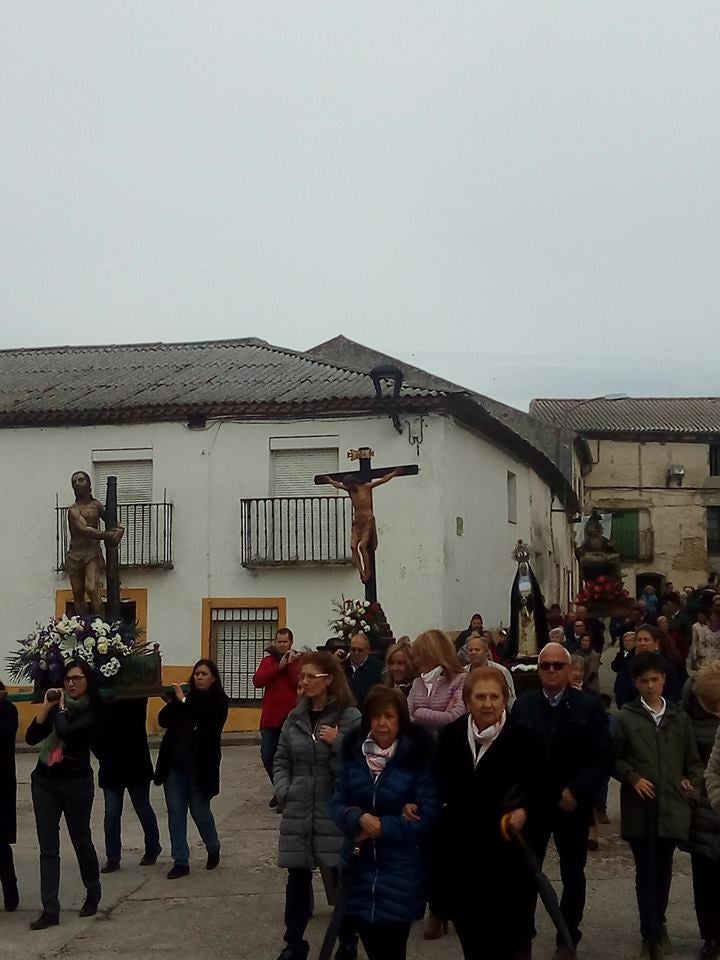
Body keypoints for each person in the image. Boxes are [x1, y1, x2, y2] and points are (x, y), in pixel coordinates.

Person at [509, 642, 613, 958]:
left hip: (573, 805)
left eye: (558, 665)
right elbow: (514, 757)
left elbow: (602, 756)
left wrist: (578, 791)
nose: (552, 671)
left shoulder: (590, 707)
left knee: (572, 874)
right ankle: (522, 935)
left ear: (569, 670)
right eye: (546, 666)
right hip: (535, 806)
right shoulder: (524, 707)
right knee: (526, 874)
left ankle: (568, 936)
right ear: (538, 670)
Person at [435, 667, 540, 960]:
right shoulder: (450, 737)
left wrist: (525, 811)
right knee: (474, 941)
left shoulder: (525, 738)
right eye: (480, 697)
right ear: (468, 701)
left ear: (504, 700)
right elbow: (438, 785)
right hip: (465, 858)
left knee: (513, 943)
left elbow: (544, 788)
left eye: (494, 696)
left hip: (509, 857)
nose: (487, 703)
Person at [331, 686, 438, 960]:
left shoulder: (417, 758)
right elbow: (337, 805)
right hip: (360, 870)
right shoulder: (355, 756)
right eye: (376, 717)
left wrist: (383, 826)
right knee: (373, 948)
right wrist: (360, 819)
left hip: (401, 872)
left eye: (389, 716)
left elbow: (428, 816)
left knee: (393, 951)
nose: (382, 723)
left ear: (400, 719)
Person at [613, 651, 703, 959]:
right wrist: (633, 777)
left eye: (655, 679)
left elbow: (693, 761)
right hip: (641, 809)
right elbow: (614, 758)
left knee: (663, 871)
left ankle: (659, 923)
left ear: (664, 679)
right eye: (644, 681)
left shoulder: (679, 718)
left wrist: (690, 782)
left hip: (672, 807)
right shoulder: (626, 718)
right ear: (635, 683)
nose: (651, 686)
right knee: (645, 871)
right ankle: (648, 931)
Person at [273, 651, 361, 960]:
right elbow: (281, 759)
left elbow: (358, 763)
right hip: (299, 806)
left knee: (340, 877)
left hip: (333, 807)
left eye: (312, 676)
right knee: (296, 878)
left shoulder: (349, 717)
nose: (305, 681)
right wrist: (284, 790)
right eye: (303, 676)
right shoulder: (294, 718)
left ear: (329, 680)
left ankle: (347, 941)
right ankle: (293, 942)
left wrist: (338, 742)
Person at [25, 660, 102, 930]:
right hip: (45, 780)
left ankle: (93, 892)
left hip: (76, 783)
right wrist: (46, 706)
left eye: (77, 679)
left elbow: (69, 731)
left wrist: (60, 708)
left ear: (87, 681)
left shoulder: (92, 710)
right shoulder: (59, 704)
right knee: (48, 847)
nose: (71, 683)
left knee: (81, 839)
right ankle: (50, 909)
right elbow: (32, 737)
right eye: (68, 678)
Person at [154, 659, 229, 879]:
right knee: (176, 812)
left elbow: (209, 721)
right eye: (196, 674)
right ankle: (180, 860)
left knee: (199, 811)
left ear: (213, 678)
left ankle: (212, 846)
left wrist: (183, 701)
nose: (199, 677)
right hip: (175, 765)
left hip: (200, 767)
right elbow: (163, 720)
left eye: (204, 674)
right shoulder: (184, 699)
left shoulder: (218, 701)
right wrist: (174, 702)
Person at [679, 663, 720, 960]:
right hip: (701, 807)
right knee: (705, 878)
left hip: (714, 801)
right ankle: (710, 935)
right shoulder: (687, 719)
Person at [94, 697, 161, 873]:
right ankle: (113, 857)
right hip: (112, 764)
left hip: (135, 762)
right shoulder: (100, 697)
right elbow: (94, 732)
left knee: (142, 808)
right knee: (112, 814)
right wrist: (102, 754)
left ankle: (152, 848)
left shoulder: (135, 697)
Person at [253, 628, 302, 806]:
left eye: (285, 642)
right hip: (271, 719)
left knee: (290, 758)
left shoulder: (297, 662)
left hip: (290, 719)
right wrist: (278, 667)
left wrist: (289, 665)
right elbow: (258, 681)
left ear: (291, 643)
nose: (281, 645)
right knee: (267, 756)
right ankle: (280, 789)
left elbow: (298, 683)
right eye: (279, 641)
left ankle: (287, 794)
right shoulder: (268, 661)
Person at [65, 470, 124, 616]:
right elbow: (84, 530)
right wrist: (107, 535)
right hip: (74, 555)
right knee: (78, 594)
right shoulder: (73, 510)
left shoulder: (96, 505)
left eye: (81, 480)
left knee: (91, 588)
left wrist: (120, 529)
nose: (78, 483)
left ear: (89, 483)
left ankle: (101, 626)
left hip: (92, 553)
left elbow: (111, 520)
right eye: (74, 481)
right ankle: (85, 627)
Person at [408, 630, 466, 734]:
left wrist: (419, 713)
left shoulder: (461, 680)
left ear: (433, 654)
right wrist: (442, 716)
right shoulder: (417, 683)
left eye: (419, 655)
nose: (415, 661)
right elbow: (406, 718)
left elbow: (455, 718)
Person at [614, 625, 683, 707]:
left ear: (656, 643)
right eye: (639, 640)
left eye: (646, 640)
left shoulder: (667, 667)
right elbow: (621, 693)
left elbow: (675, 695)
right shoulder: (628, 666)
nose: (642, 643)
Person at [0, 681, 19, 912]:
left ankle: (10, 891)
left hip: (1, 785)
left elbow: (5, 733)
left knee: (0, 845)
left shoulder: (7, 709)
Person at [464, 635, 516, 709]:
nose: (473, 652)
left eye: (477, 649)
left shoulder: (501, 671)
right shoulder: (462, 673)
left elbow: (510, 699)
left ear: (486, 651)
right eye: (470, 650)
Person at [344, 632, 384, 706]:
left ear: (368, 650)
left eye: (360, 650)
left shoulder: (378, 668)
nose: (356, 653)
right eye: (353, 649)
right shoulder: (342, 666)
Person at [690, 596, 720, 672]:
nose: (713, 617)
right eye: (712, 615)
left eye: (715, 616)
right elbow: (699, 643)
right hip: (707, 658)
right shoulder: (705, 628)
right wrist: (697, 657)